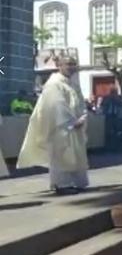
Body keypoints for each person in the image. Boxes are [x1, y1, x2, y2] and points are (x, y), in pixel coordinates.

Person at [17, 56, 89, 195]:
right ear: (60, 66)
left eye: (74, 64)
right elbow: (56, 105)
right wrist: (72, 122)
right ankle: (62, 184)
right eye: (68, 64)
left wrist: (83, 117)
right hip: (60, 126)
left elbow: (81, 103)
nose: (71, 67)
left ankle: (77, 182)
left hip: (76, 126)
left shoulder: (73, 84)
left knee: (77, 154)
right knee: (61, 155)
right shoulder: (54, 83)